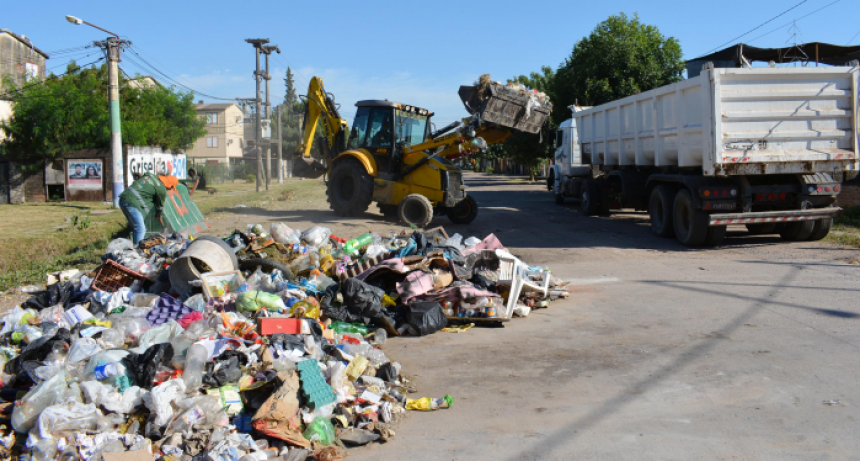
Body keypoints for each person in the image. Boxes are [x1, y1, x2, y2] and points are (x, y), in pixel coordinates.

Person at [118, 163, 177, 244]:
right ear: (169, 185)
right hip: (131, 202)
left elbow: (145, 181)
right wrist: (158, 215)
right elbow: (160, 207)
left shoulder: (150, 175)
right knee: (140, 229)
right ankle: (139, 251)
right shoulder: (161, 189)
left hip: (122, 199)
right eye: (171, 188)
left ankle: (134, 248)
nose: (169, 189)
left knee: (136, 228)